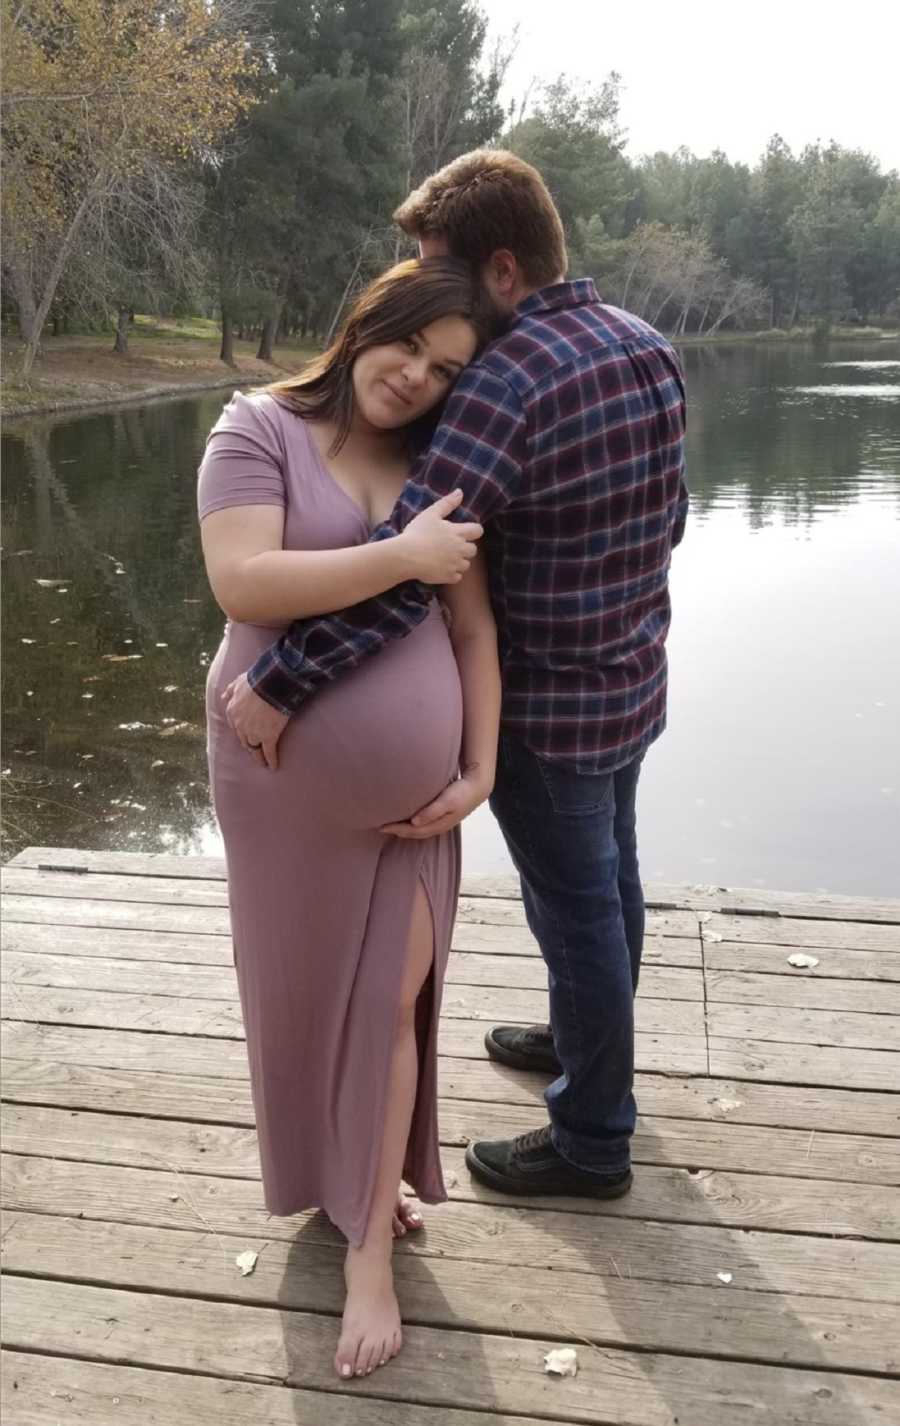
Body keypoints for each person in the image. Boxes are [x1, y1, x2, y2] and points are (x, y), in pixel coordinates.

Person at [224, 148, 688, 1239]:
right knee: (610, 883)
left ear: (505, 271)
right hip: (630, 680)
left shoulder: (507, 379)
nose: (428, 290)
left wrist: (282, 679)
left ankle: (592, 1135)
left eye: (441, 269)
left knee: (575, 909)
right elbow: (671, 520)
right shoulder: (647, 345)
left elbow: (416, 563)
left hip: (545, 702)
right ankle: (588, 1035)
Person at [198, 257, 501, 1382]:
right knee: (309, 995)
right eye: (407, 347)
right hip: (278, 794)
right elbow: (246, 582)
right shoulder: (257, 428)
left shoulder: (442, 464)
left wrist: (478, 767)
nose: (416, 377)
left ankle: (368, 1248)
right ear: (367, 321)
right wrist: (403, 557)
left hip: (417, 809)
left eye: (445, 369)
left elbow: (471, 633)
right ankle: (347, 1183)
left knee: (390, 1008)